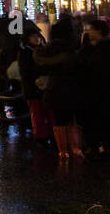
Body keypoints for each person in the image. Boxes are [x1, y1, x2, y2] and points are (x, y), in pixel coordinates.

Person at [34, 16, 84, 158]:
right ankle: (76, 148)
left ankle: (62, 151)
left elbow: (39, 66)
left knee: (59, 119)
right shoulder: (74, 48)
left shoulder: (49, 50)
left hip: (54, 89)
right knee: (73, 119)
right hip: (73, 88)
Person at [79, 19, 110, 162]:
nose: (89, 31)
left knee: (107, 122)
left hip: (103, 94)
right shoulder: (99, 48)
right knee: (103, 122)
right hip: (101, 94)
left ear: (98, 31)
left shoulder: (104, 50)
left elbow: (100, 73)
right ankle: (107, 147)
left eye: (91, 29)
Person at [19, 28, 54, 143]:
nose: (37, 39)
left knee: (49, 112)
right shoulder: (25, 52)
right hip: (32, 88)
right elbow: (26, 71)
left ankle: (51, 134)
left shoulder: (43, 50)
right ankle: (41, 137)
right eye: (33, 36)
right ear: (27, 38)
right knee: (37, 114)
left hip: (44, 88)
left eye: (38, 36)